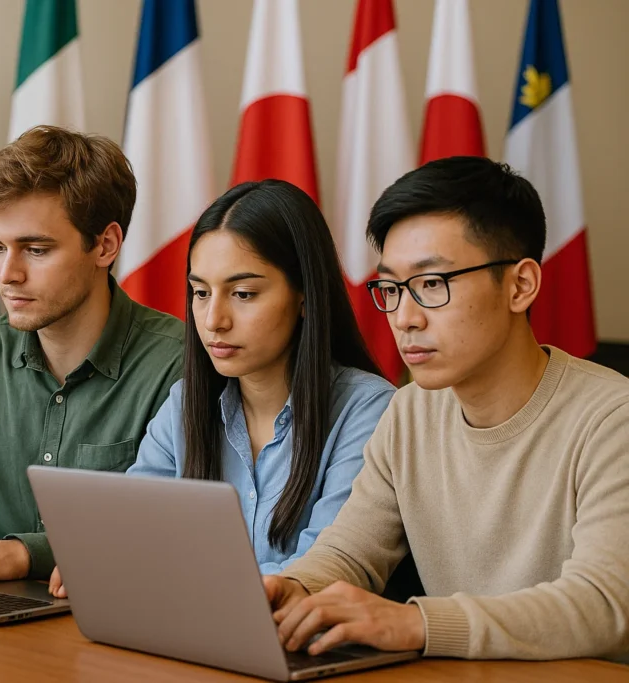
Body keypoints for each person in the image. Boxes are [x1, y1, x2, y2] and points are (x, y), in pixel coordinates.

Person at [264, 157, 629, 661]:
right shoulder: (409, 413)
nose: (405, 318)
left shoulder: (613, 419)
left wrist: (417, 623)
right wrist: (295, 589)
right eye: (391, 288)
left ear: (520, 285)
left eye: (432, 284)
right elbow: (351, 551)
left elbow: (603, 605)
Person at [48, 180, 394, 598]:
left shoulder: (368, 410)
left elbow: (324, 571)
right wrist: (101, 557)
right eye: (200, 292)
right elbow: (134, 533)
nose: (213, 320)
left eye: (243, 293)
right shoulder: (184, 404)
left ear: (305, 296)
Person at [0, 126, 184, 581]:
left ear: (105, 245)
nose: (8, 274)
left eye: (36, 250)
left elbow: (170, 531)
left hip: (124, 615)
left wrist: (25, 554)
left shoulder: (177, 365)